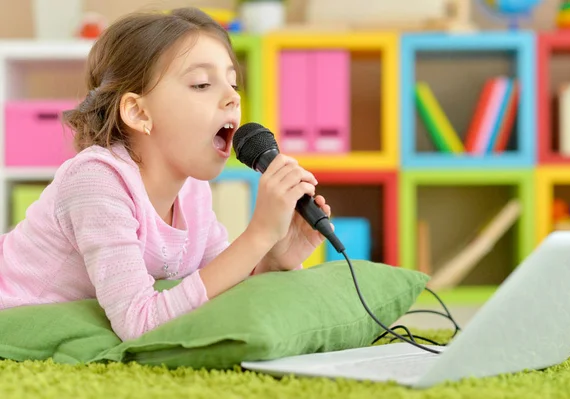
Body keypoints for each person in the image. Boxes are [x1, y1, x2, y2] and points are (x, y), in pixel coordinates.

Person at [0, 7, 331, 342]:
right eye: (202, 84)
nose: (232, 97)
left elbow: (218, 285)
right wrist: (258, 235)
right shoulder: (96, 180)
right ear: (139, 112)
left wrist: (274, 257)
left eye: (232, 83)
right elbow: (139, 324)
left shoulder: (193, 191)